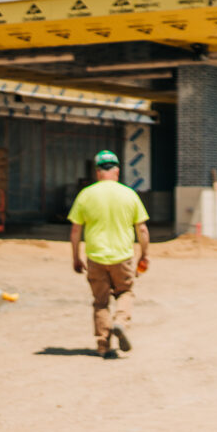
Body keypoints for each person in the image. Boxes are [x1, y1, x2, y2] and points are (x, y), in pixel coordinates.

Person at [68, 150, 150, 358]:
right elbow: (142, 230)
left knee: (100, 302)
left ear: (97, 172)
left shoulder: (86, 195)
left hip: (95, 257)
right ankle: (120, 322)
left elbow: (76, 231)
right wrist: (144, 255)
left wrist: (76, 257)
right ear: (117, 170)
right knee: (125, 292)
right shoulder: (129, 194)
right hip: (122, 256)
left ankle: (103, 344)